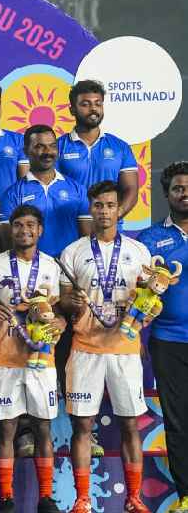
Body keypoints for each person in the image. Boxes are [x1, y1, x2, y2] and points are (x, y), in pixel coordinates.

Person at [59, 180, 152, 513]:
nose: (104, 211)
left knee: (130, 424)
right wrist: (71, 304)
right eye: (98, 205)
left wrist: (149, 308)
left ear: (119, 209)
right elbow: (61, 304)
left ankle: (134, 496)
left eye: (110, 205)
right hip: (86, 350)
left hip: (125, 351)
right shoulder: (73, 253)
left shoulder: (139, 252)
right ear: (91, 208)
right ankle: (82, 498)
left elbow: (151, 300)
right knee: (82, 425)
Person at [0, 205, 63, 513]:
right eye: (17, 225)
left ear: (40, 230)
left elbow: (57, 311)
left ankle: (45, 497)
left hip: (41, 359)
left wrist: (61, 322)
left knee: (43, 428)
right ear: (9, 229)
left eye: (30, 225)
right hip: (4, 359)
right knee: (5, 430)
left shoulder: (52, 267)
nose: (24, 230)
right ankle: (6, 498)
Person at [138, 161, 188, 513]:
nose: (185, 193)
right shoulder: (151, 239)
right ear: (166, 194)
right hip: (169, 340)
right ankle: (187, 495)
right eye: (178, 188)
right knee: (178, 421)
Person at [0, 124, 91, 257]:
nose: (48, 152)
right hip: (31, 271)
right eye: (39, 146)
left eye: (52, 146)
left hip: (69, 270)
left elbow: (86, 239)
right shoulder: (12, 194)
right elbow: (8, 243)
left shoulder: (78, 190)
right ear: (26, 151)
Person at [57, 80, 139, 217]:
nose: (93, 109)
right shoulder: (58, 147)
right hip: (70, 229)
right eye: (85, 104)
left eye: (98, 104)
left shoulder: (120, 147)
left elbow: (131, 188)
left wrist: (114, 216)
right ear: (72, 110)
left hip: (109, 232)